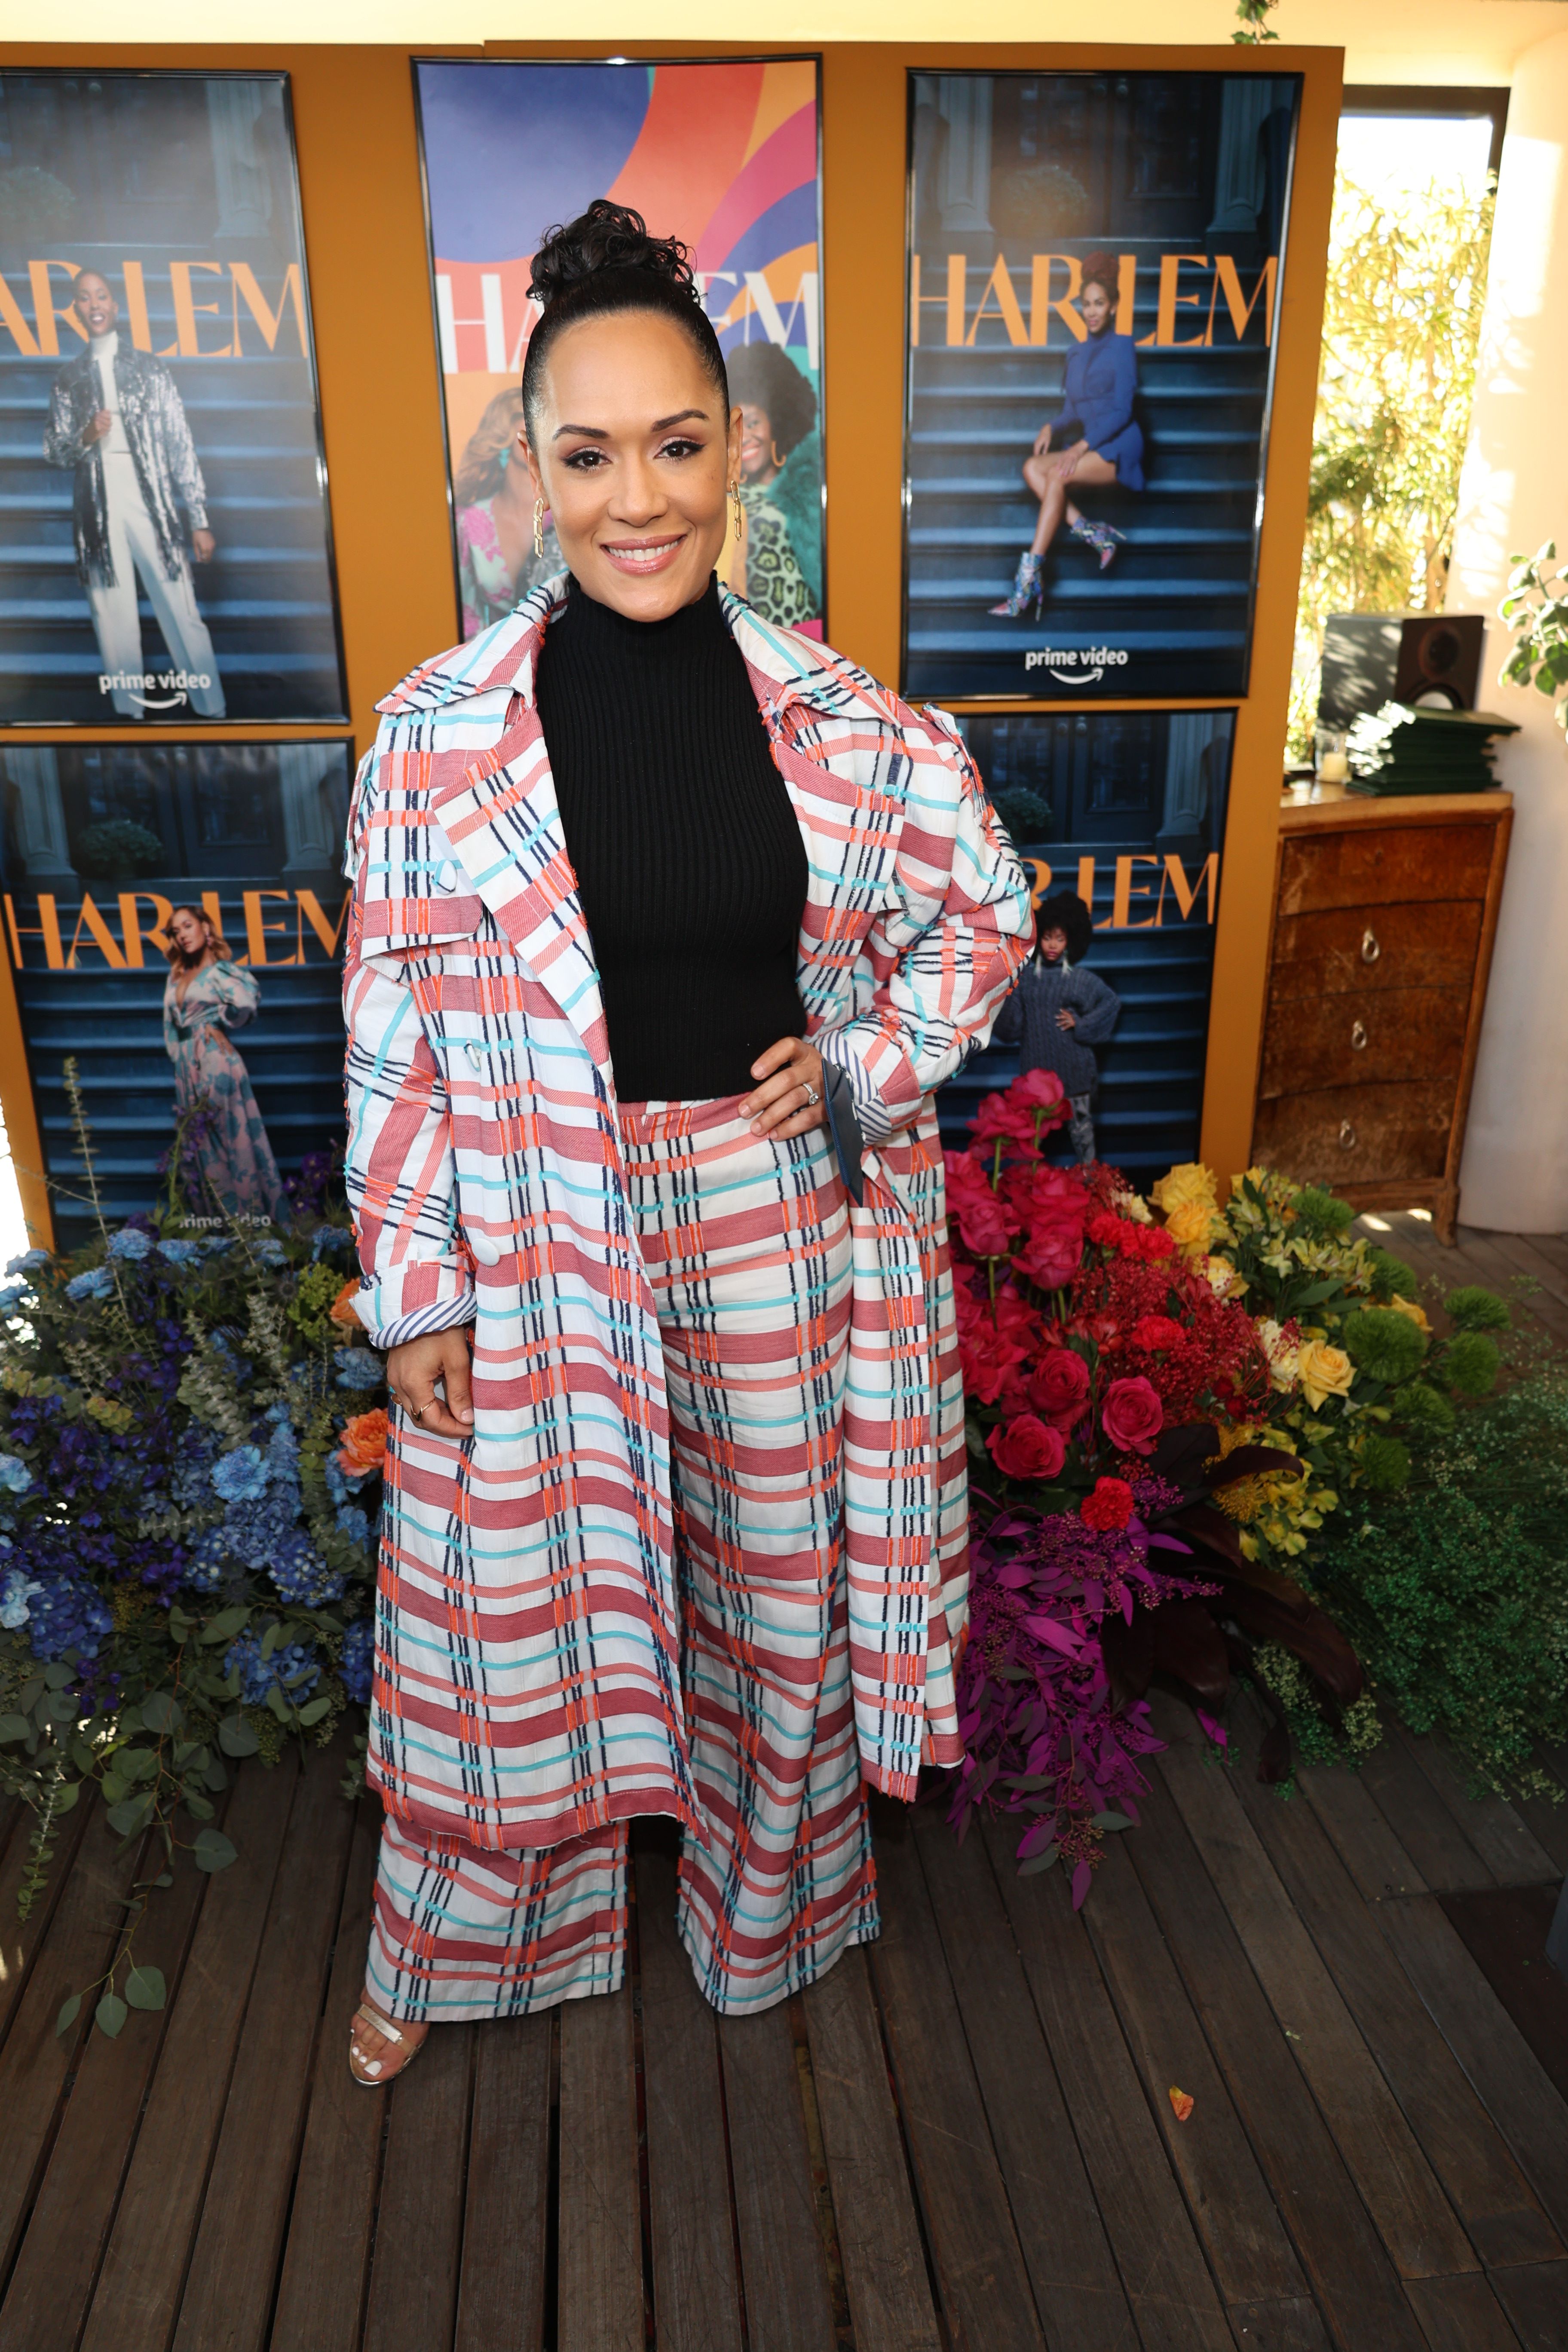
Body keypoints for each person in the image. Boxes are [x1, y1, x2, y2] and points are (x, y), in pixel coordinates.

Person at [342, 199, 1031, 2085]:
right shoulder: (434, 737)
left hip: (770, 1213)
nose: (635, 499)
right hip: (529, 1226)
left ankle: (768, 1912)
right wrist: (416, 1290)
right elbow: (391, 1037)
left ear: (738, 449)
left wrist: (867, 1059)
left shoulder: (848, 724)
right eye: (587, 456)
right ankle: (461, 1943)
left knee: (773, 1599)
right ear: (530, 467)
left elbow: (982, 913)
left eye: (675, 444)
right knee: (504, 1621)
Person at [43, 270, 225, 719]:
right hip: (97, 503)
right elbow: (55, 450)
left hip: (150, 495)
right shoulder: (69, 378)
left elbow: (179, 440)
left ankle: (213, 710)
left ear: (115, 304)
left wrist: (199, 517)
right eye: (84, 298)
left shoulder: (150, 368)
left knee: (180, 607)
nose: (94, 304)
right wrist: (87, 435)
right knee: (112, 618)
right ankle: (130, 716)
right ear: (77, 308)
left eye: (101, 295)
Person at [992, 251, 1145, 621]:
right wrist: (1052, 427)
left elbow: (1123, 412)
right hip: (1089, 442)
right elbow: (1073, 411)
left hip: (1119, 445)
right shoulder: (1075, 353)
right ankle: (1094, 535)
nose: (1092, 312)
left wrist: (1079, 447)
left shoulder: (1123, 346)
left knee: (1058, 476)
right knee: (1033, 468)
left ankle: (1027, 583)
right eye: (1086, 304)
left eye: (1100, 303)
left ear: (1113, 306)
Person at [162, 904, 284, 1219]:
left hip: (215, 1060)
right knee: (197, 1143)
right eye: (176, 931)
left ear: (205, 927)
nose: (182, 935)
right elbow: (170, 1027)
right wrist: (182, 1060)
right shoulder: (176, 977)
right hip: (186, 1069)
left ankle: (248, 1224)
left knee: (227, 1138)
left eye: (188, 926)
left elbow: (245, 1002)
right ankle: (218, 1229)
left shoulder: (221, 971)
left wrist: (217, 1021)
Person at [992, 890, 1120, 1164]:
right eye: (1048, 937)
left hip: (1075, 1070)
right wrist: (1004, 990)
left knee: (1083, 1136)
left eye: (1060, 939)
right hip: (1035, 1072)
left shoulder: (1080, 980)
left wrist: (1081, 1024)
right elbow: (1011, 1028)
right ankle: (1027, 1184)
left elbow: (1110, 1003)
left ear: (1070, 941)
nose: (1053, 945)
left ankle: (1093, 1182)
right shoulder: (1025, 980)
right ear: (1039, 938)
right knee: (1030, 1139)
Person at [452, 385, 564, 637]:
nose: (535, 428)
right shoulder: (469, 522)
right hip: (500, 654)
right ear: (504, 432)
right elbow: (468, 617)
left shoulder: (567, 512)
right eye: (526, 418)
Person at [726, 340, 822, 622]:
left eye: (753, 423)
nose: (746, 438)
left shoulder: (807, 498)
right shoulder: (724, 504)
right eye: (736, 430)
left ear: (777, 424)